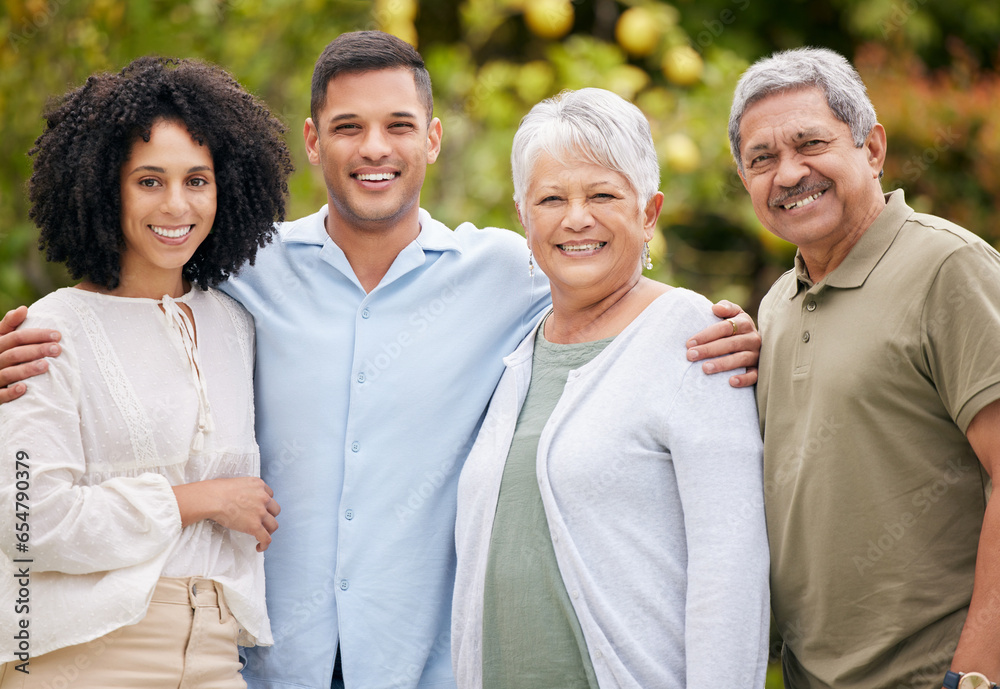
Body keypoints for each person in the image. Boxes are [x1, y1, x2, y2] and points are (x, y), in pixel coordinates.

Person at [0, 32, 760, 689]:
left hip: (422, 665)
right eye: (348, 126)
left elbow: (598, 261)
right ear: (311, 139)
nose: (373, 148)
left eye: (398, 125)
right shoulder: (243, 273)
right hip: (264, 663)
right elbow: (130, 305)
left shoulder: (502, 272)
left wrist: (713, 321)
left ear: (431, 138)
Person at [451, 88, 769, 689]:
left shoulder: (694, 337)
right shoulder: (518, 349)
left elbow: (730, 567)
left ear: (648, 213)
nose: (576, 218)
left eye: (602, 194)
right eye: (552, 198)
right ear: (523, 216)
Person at [0, 56, 292, 687]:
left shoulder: (234, 326)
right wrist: (202, 501)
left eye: (198, 180)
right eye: (149, 181)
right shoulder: (51, 329)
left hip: (215, 653)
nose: (177, 204)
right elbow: (32, 523)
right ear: (107, 187)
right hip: (83, 654)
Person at [730, 47, 1000, 689]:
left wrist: (976, 676)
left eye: (810, 144)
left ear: (872, 148)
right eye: (761, 159)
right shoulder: (774, 305)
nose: (788, 173)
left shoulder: (949, 269)